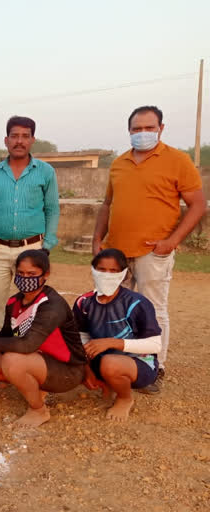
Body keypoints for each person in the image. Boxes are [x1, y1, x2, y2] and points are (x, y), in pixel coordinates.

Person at [92, 105, 206, 393]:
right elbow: (107, 205)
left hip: (153, 252)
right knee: (112, 305)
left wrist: (172, 241)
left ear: (161, 129)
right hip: (116, 253)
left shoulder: (177, 161)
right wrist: (97, 240)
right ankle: (117, 360)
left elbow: (198, 205)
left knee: (153, 308)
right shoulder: (119, 163)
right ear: (129, 131)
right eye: (137, 129)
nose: (142, 133)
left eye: (149, 128)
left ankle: (154, 365)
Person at [0, 250, 86, 427]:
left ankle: (38, 410)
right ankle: (33, 384)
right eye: (21, 273)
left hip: (68, 371)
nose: (25, 278)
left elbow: (28, 345)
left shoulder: (52, 305)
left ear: (46, 274)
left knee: (12, 361)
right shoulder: (14, 301)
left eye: (32, 274)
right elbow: (6, 336)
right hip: (40, 360)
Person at [0, 116, 60, 333]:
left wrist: (47, 244)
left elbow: (52, 209)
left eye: (25, 136)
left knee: (31, 301)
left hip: (32, 248)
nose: (19, 141)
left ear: (33, 139)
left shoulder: (45, 172)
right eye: (14, 136)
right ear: (6, 140)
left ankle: (26, 347)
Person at [73, 248, 162, 422]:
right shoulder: (84, 302)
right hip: (100, 359)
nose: (107, 275)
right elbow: (81, 338)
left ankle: (124, 398)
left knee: (110, 364)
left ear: (124, 274)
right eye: (101, 270)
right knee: (64, 361)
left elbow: (155, 345)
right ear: (93, 270)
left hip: (139, 363)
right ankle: (107, 381)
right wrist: (87, 369)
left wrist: (112, 342)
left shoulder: (137, 303)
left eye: (113, 271)